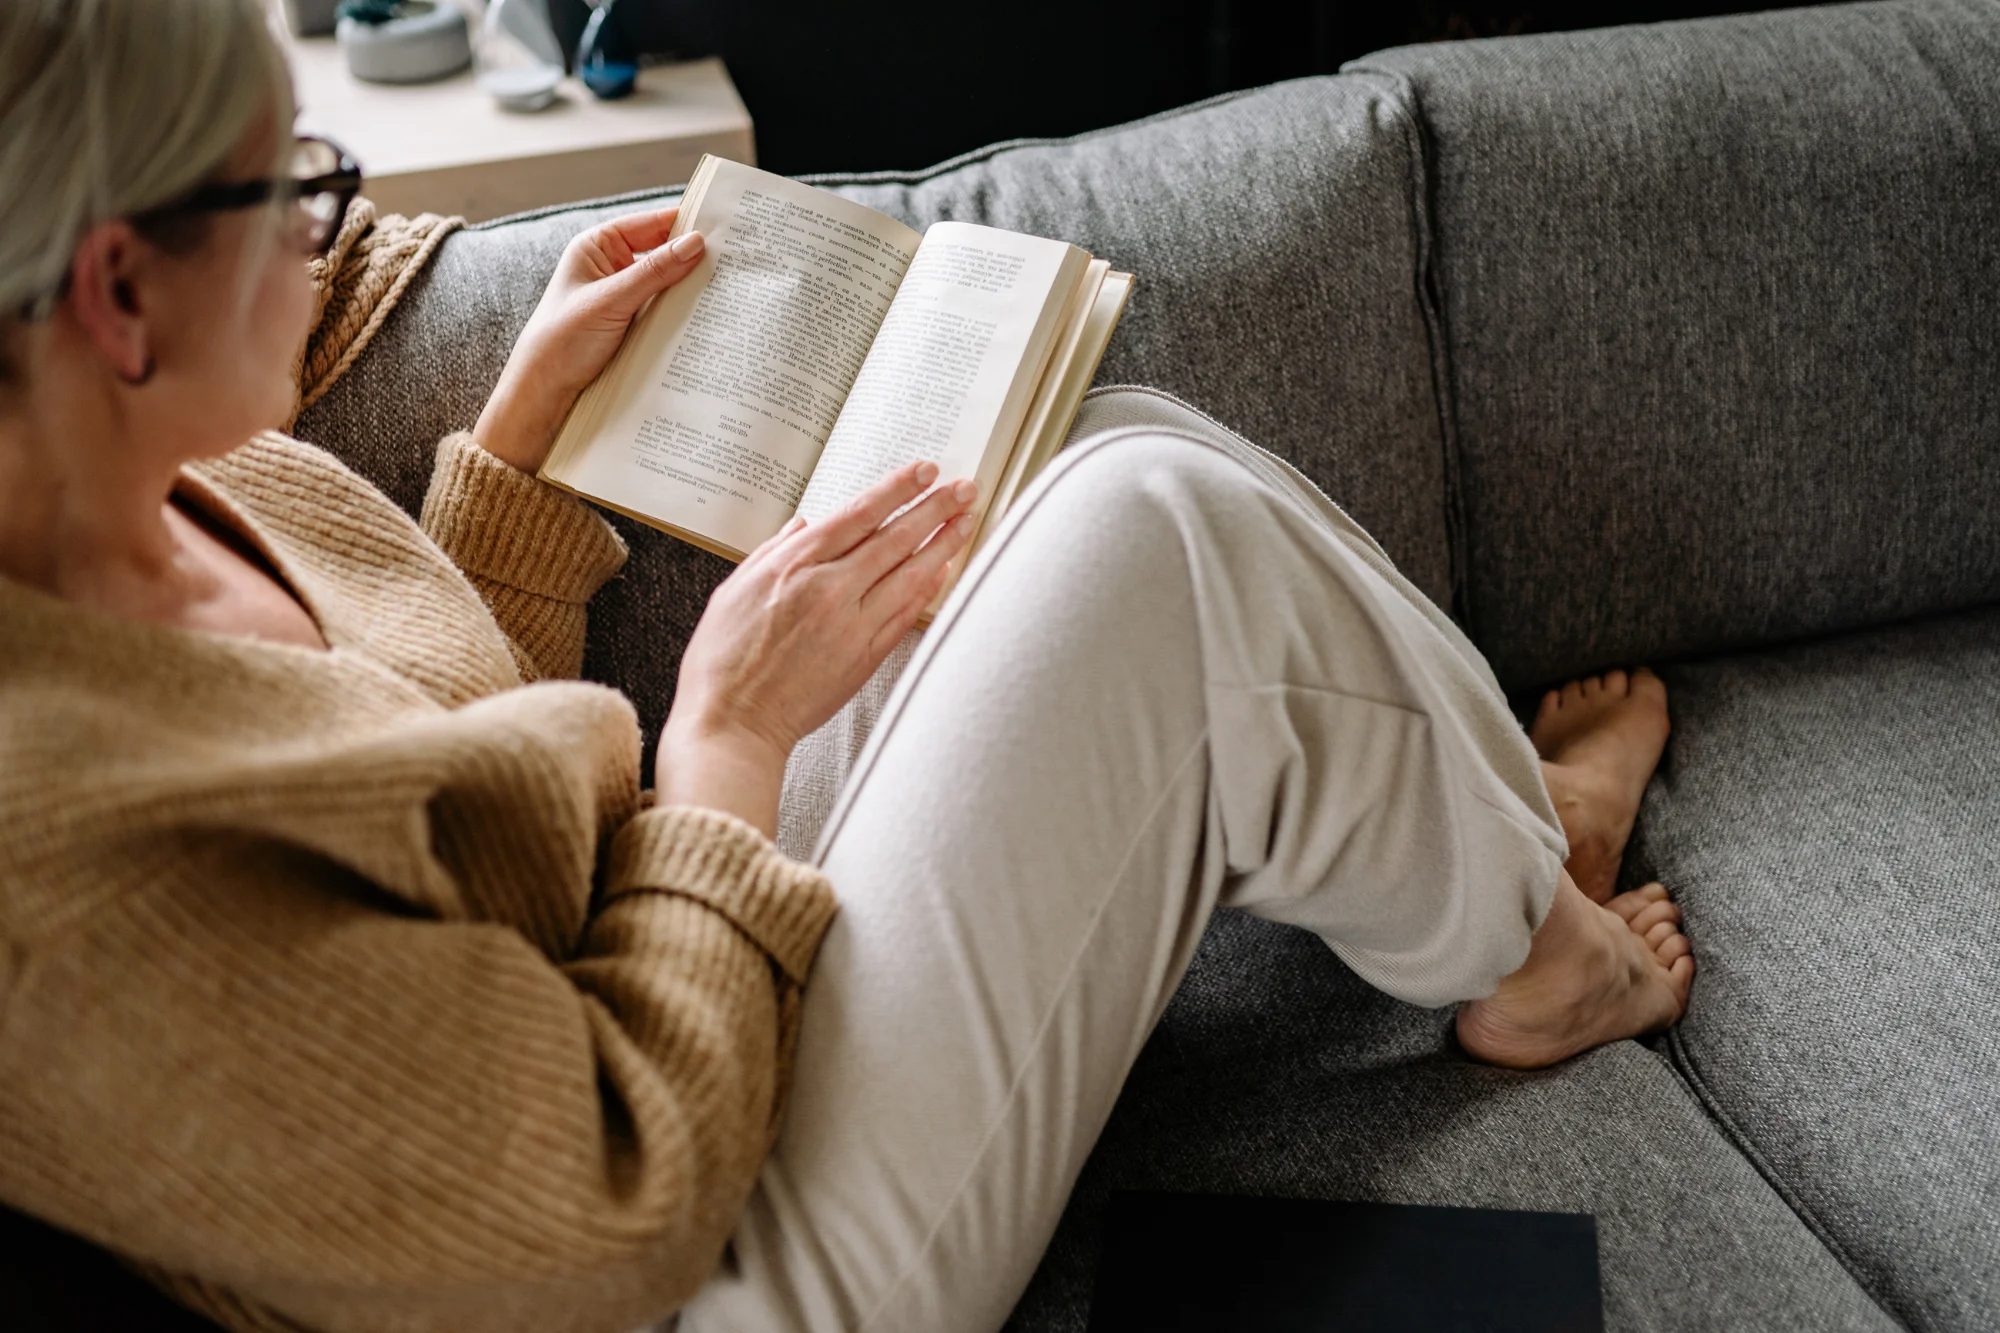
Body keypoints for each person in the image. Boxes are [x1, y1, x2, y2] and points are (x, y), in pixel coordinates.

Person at [0, 3, 1692, 1332]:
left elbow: (450, 820)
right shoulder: (60, 897)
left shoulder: (183, 485)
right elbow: (606, 1212)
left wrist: (520, 447)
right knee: (1153, 535)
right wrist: (727, 735)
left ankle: (1498, 844)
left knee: (1061, 461)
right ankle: (1547, 951)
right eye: (294, 190)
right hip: (694, 1262)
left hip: (656, 975)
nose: (327, 239)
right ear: (119, 296)